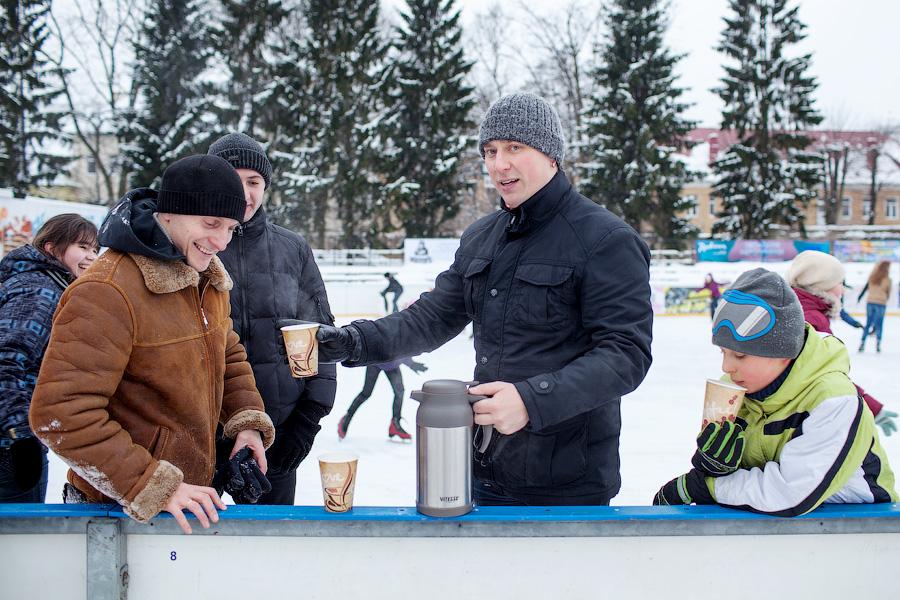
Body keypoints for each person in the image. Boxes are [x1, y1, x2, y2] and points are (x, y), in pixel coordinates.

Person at [316, 93, 653, 506]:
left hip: (566, 484)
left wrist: (533, 400)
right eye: (490, 151)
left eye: (515, 148)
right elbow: (431, 317)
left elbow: (625, 354)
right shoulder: (482, 236)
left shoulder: (605, 240)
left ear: (551, 156)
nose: (499, 164)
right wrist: (349, 341)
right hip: (481, 468)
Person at [29, 155, 275, 535]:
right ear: (170, 213)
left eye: (231, 228)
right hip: (116, 514)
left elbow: (228, 353)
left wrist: (246, 423)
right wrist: (150, 483)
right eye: (211, 223)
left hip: (189, 502)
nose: (221, 241)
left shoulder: (204, 278)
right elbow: (60, 415)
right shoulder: (107, 290)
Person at [653, 268, 897, 515]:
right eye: (723, 352)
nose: (726, 367)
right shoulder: (736, 388)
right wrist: (713, 466)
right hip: (773, 527)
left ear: (782, 353)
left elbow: (789, 492)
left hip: (860, 530)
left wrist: (705, 487)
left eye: (739, 355)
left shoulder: (833, 400)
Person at [207, 132, 336, 505]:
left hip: (277, 433)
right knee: (198, 552)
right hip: (203, 433)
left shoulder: (291, 248)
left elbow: (320, 339)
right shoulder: (193, 249)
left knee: (269, 549)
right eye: (234, 180)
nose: (245, 193)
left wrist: (305, 422)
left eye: (254, 182)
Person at [0, 214, 99, 503]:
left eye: (95, 249)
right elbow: (6, 361)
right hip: (8, 448)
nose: (91, 257)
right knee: (17, 543)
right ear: (50, 247)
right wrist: (20, 437)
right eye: (82, 247)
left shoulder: (43, 283)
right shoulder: (39, 291)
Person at [786, 250, 897, 436]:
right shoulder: (812, 320)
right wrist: (873, 408)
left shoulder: (802, 310)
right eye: (839, 283)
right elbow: (829, 376)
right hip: (802, 415)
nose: (843, 289)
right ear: (821, 285)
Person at [337, 356, 428, 441]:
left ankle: (395, 424)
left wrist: (411, 364)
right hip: (375, 362)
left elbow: (402, 348)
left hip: (392, 365)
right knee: (366, 393)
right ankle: (347, 418)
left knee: (399, 392)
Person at [857, 260, 891, 353]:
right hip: (881, 303)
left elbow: (865, 288)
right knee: (879, 324)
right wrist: (884, 298)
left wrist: (859, 297)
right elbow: (888, 293)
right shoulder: (887, 279)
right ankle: (878, 344)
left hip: (870, 302)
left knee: (868, 323)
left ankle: (862, 343)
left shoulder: (872, 277)